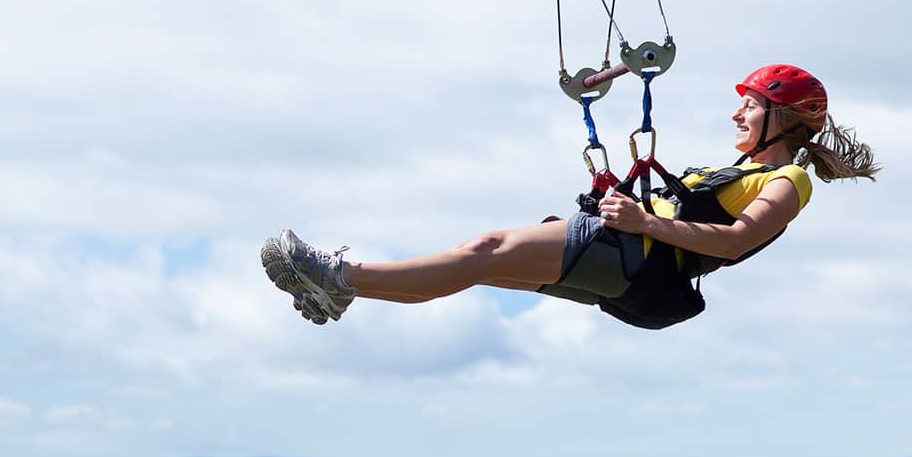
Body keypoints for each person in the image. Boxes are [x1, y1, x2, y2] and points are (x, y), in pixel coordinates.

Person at [260, 64, 880, 328]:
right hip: (635, 266)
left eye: (752, 106)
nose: (738, 114)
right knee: (481, 262)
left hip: (636, 255)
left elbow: (738, 239)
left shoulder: (787, 181)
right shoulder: (743, 171)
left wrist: (646, 220)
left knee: (484, 249)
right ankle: (345, 289)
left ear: (787, 120)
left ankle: (341, 277)